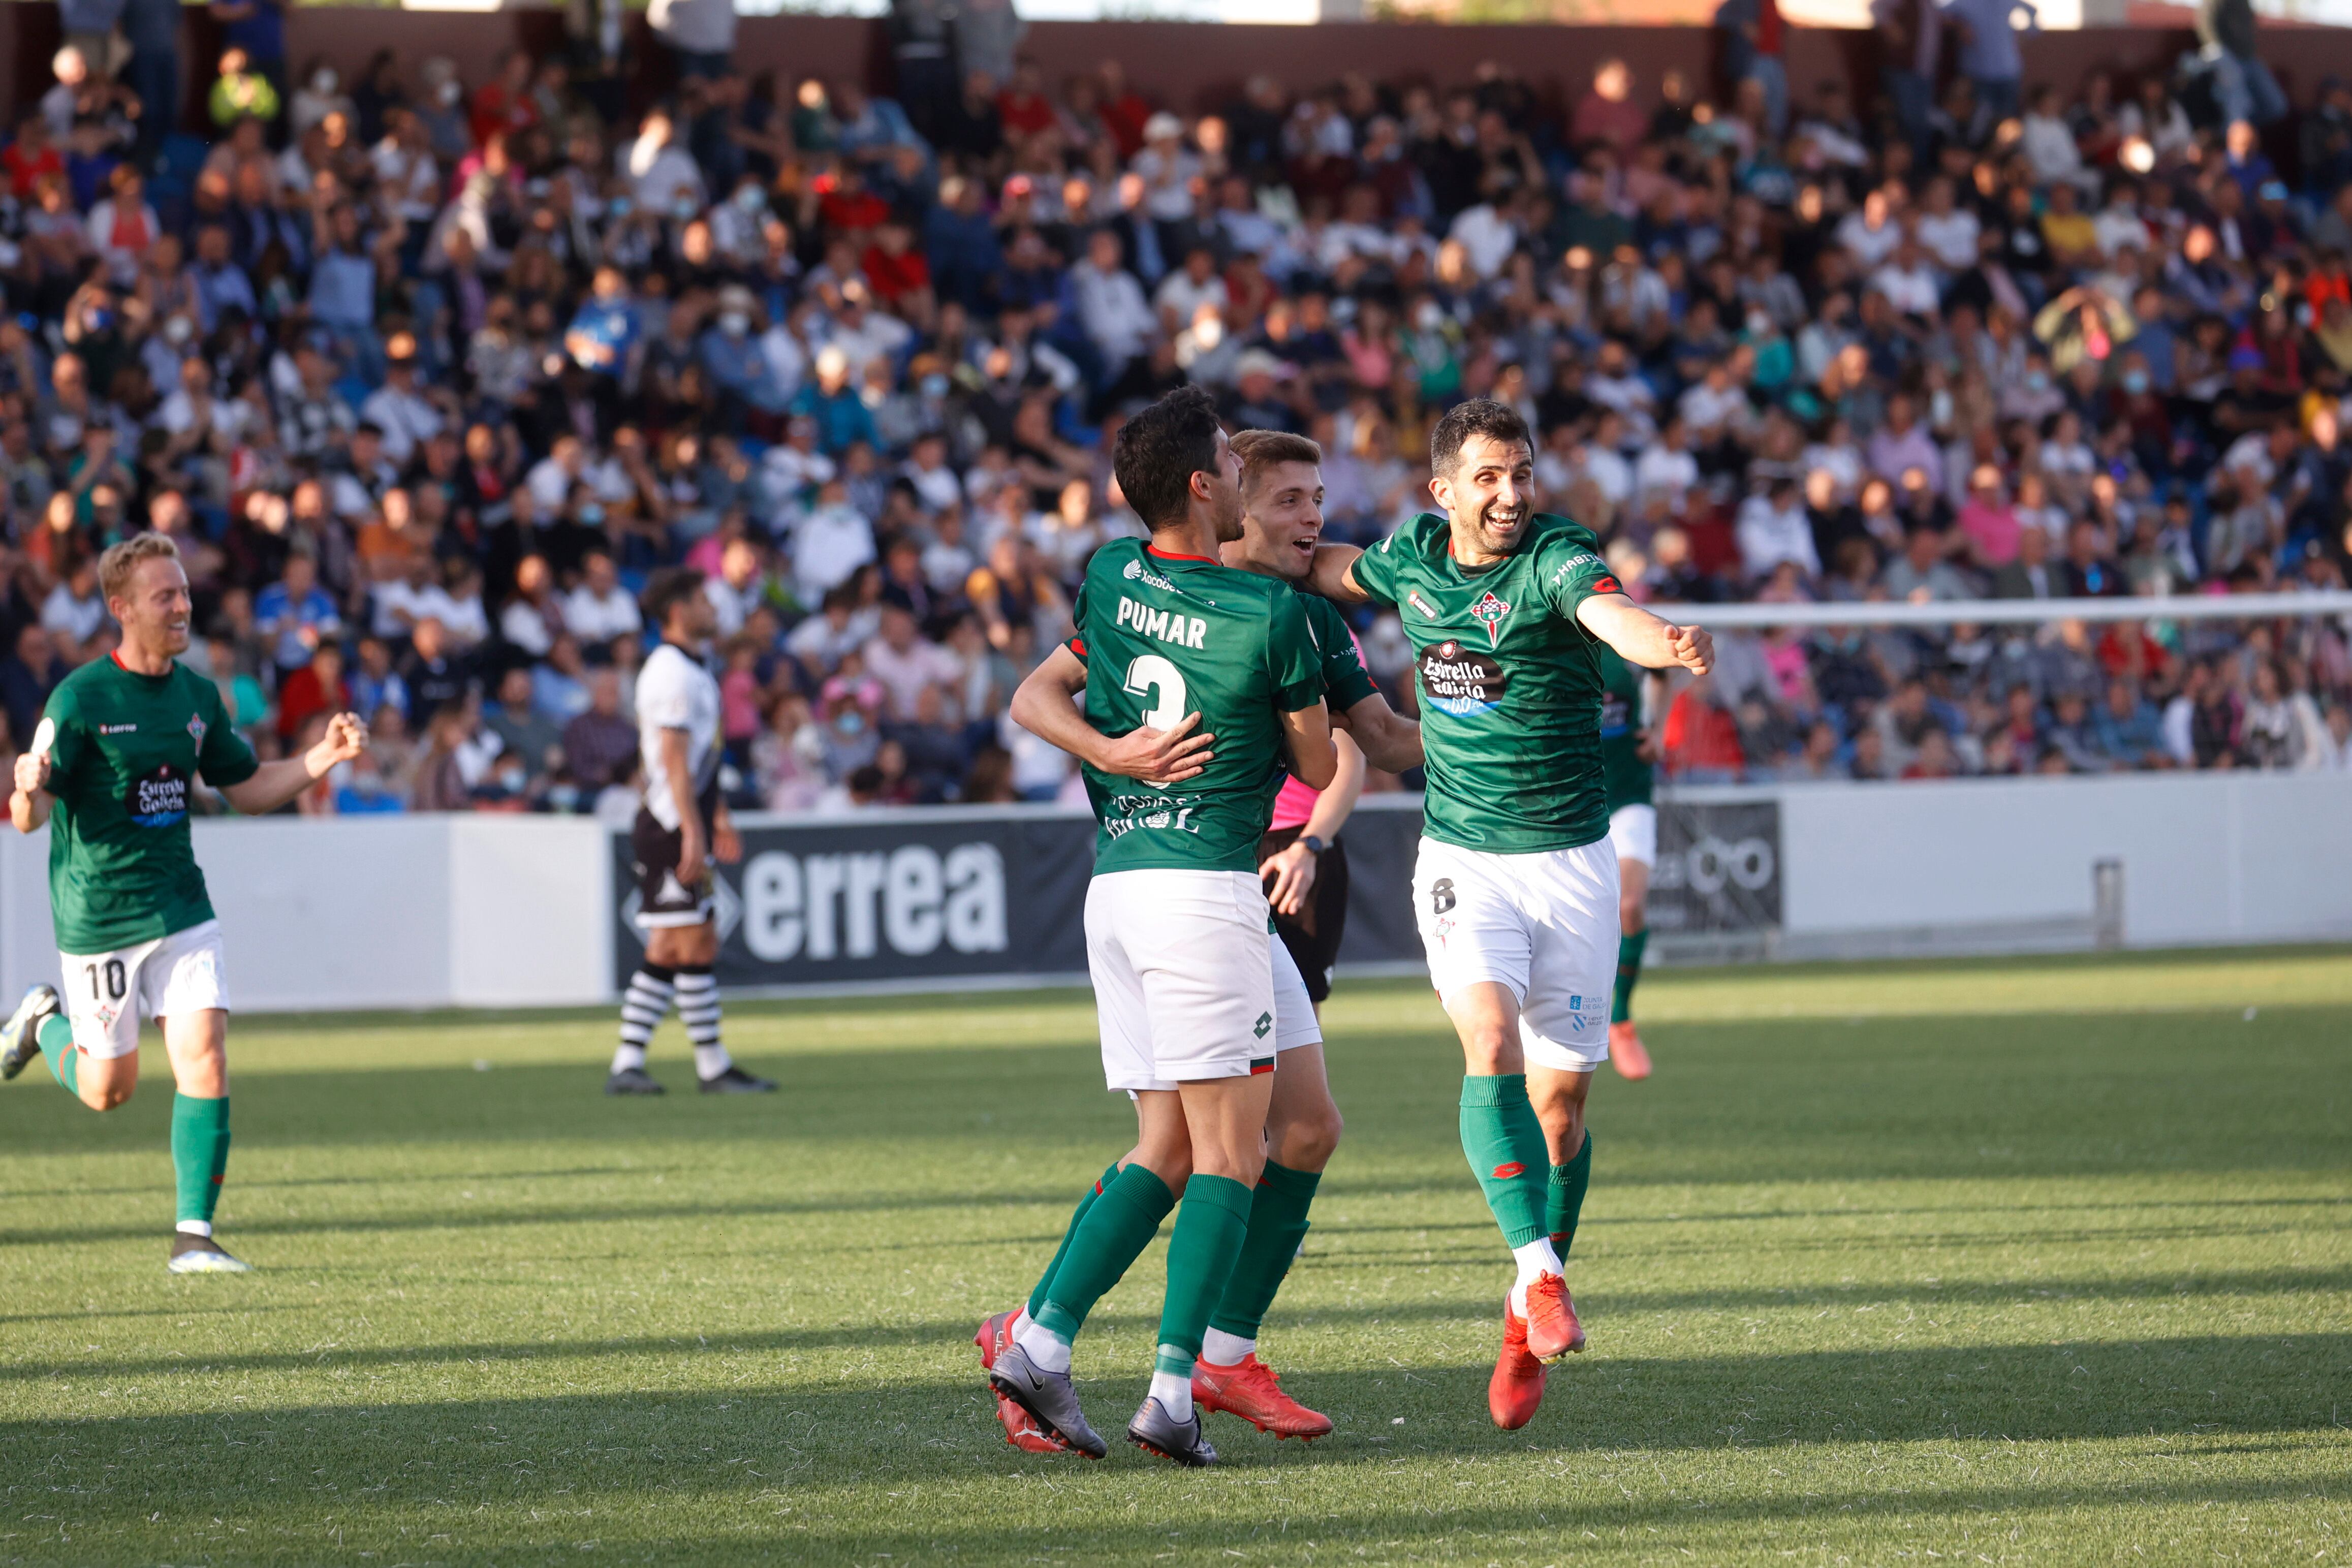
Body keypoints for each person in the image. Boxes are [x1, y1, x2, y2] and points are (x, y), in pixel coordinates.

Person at [1305, 398, 1713, 1431]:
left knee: (1562, 1112)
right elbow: (1331, 567)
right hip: (1464, 862)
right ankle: (1539, 1274)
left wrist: (1658, 640)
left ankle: (1517, 1310)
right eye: (1486, 477)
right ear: (1442, 490)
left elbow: (1605, 613)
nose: (1508, 495)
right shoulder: (1412, 559)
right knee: (1484, 1041)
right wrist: (1235, 544)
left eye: (1521, 474)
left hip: (1570, 864)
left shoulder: (1558, 558)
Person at [980, 386, 1337, 1467]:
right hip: (1203, 893)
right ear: (1202, 484)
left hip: (1122, 885)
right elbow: (1320, 767)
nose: (1242, 472)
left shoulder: (1107, 575)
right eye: (1234, 459)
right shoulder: (1272, 618)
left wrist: (1114, 751)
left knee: (1185, 1142)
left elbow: (1034, 697)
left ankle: (1039, 1340)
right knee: (1230, 1154)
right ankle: (1176, 1388)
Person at [1138, 425, 1422, 1445]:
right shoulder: (1166, 594)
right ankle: (1047, 1335)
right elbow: (1050, 694)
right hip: (1190, 885)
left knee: (1297, 1130)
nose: (1316, 517)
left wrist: (1493, 722)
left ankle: (1215, 1358)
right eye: (1293, 499)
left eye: (1319, 498)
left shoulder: (1297, 609)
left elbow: (1370, 742)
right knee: (1187, 1150)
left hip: (1240, 881)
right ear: (1225, 504)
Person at [0, 535, 371, 1274]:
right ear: (122, 608)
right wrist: (25, 784)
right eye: (165, 595)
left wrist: (320, 758)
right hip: (98, 916)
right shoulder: (78, 700)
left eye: (184, 592)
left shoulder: (198, 695)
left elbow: (248, 788)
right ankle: (44, 1021)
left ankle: (193, 1236)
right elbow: (29, 819)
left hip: (181, 907)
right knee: (110, 1091)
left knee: (205, 1053)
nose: (182, 605)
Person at [606, 568, 775, 1097]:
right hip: (669, 823)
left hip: (681, 818)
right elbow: (674, 762)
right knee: (693, 940)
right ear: (679, 611)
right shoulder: (671, 672)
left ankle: (631, 1062)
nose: (713, 606)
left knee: (672, 944)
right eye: (703, 599)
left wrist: (715, 815)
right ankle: (710, 1066)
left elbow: (700, 761)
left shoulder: (693, 668)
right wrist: (693, 832)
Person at [1595, 642, 1666, 1081]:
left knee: (1628, 906)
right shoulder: (1541, 633)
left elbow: (1661, 670)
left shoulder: (1623, 637)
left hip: (1627, 795)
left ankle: (1620, 1019)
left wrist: (1655, 727)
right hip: (1569, 802)